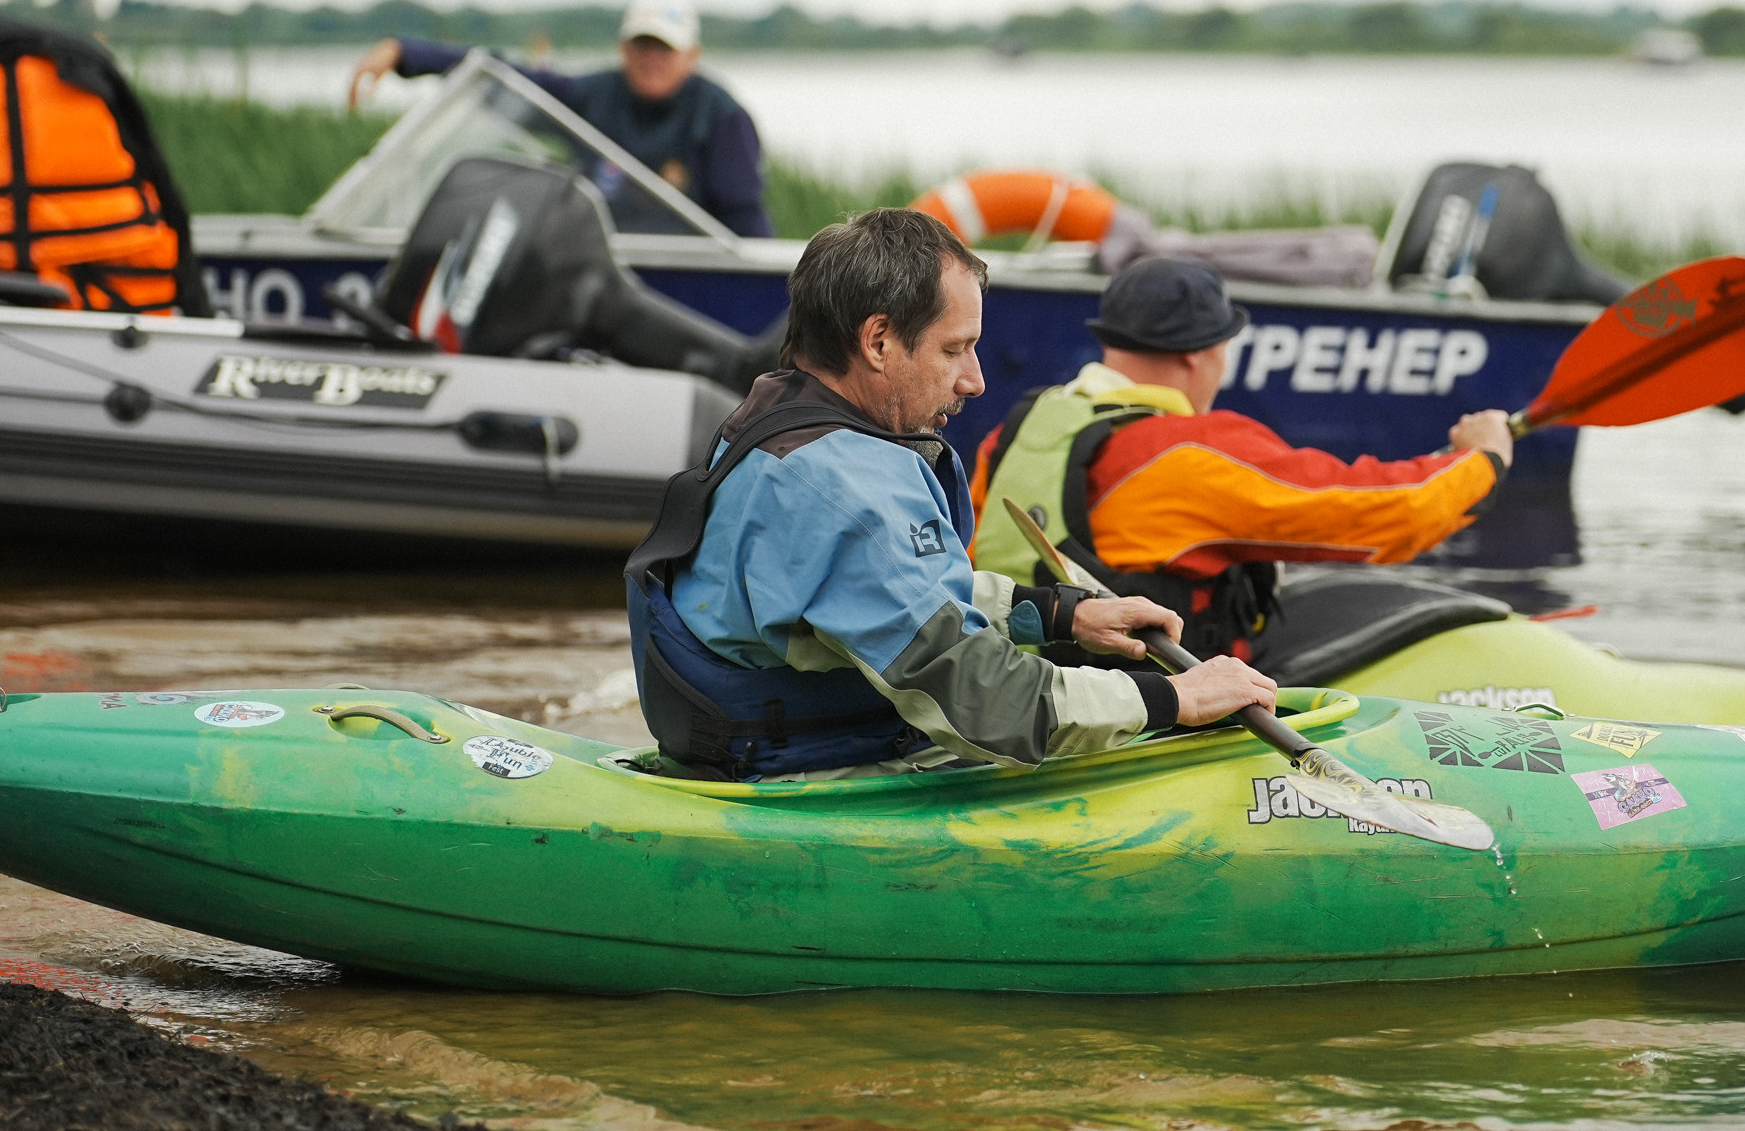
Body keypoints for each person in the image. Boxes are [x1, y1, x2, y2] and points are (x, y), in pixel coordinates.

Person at [626, 209, 1275, 780]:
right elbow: (989, 707)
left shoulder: (785, 420)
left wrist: (1059, 616)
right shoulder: (839, 489)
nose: (976, 380)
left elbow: (885, 594)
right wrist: (1175, 699)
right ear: (878, 341)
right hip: (803, 770)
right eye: (955, 349)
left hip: (767, 739)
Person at [968, 257, 1514, 657]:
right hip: (1145, 720)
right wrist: (1483, 460)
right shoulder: (1188, 452)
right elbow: (1381, 513)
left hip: (1017, 688)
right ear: (1200, 353)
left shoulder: (1018, 428)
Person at [347, 0, 771, 236]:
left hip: (686, 274)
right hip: (597, 266)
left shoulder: (722, 116)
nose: (651, 59)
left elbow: (746, 223)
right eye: (642, 46)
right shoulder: (594, 95)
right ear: (623, 49)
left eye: (665, 49)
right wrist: (408, 53)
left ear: (692, 57)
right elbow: (508, 79)